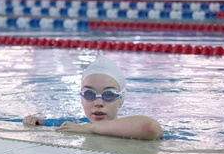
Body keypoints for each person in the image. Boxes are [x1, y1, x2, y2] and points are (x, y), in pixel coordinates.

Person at [23, 57, 163, 140]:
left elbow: (150, 127)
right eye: (89, 94)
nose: (98, 103)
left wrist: (90, 129)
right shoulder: (78, 123)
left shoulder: (131, 126)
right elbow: (53, 124)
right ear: (81, 98)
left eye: (109, 95)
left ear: (121, 100)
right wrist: (37, 122)